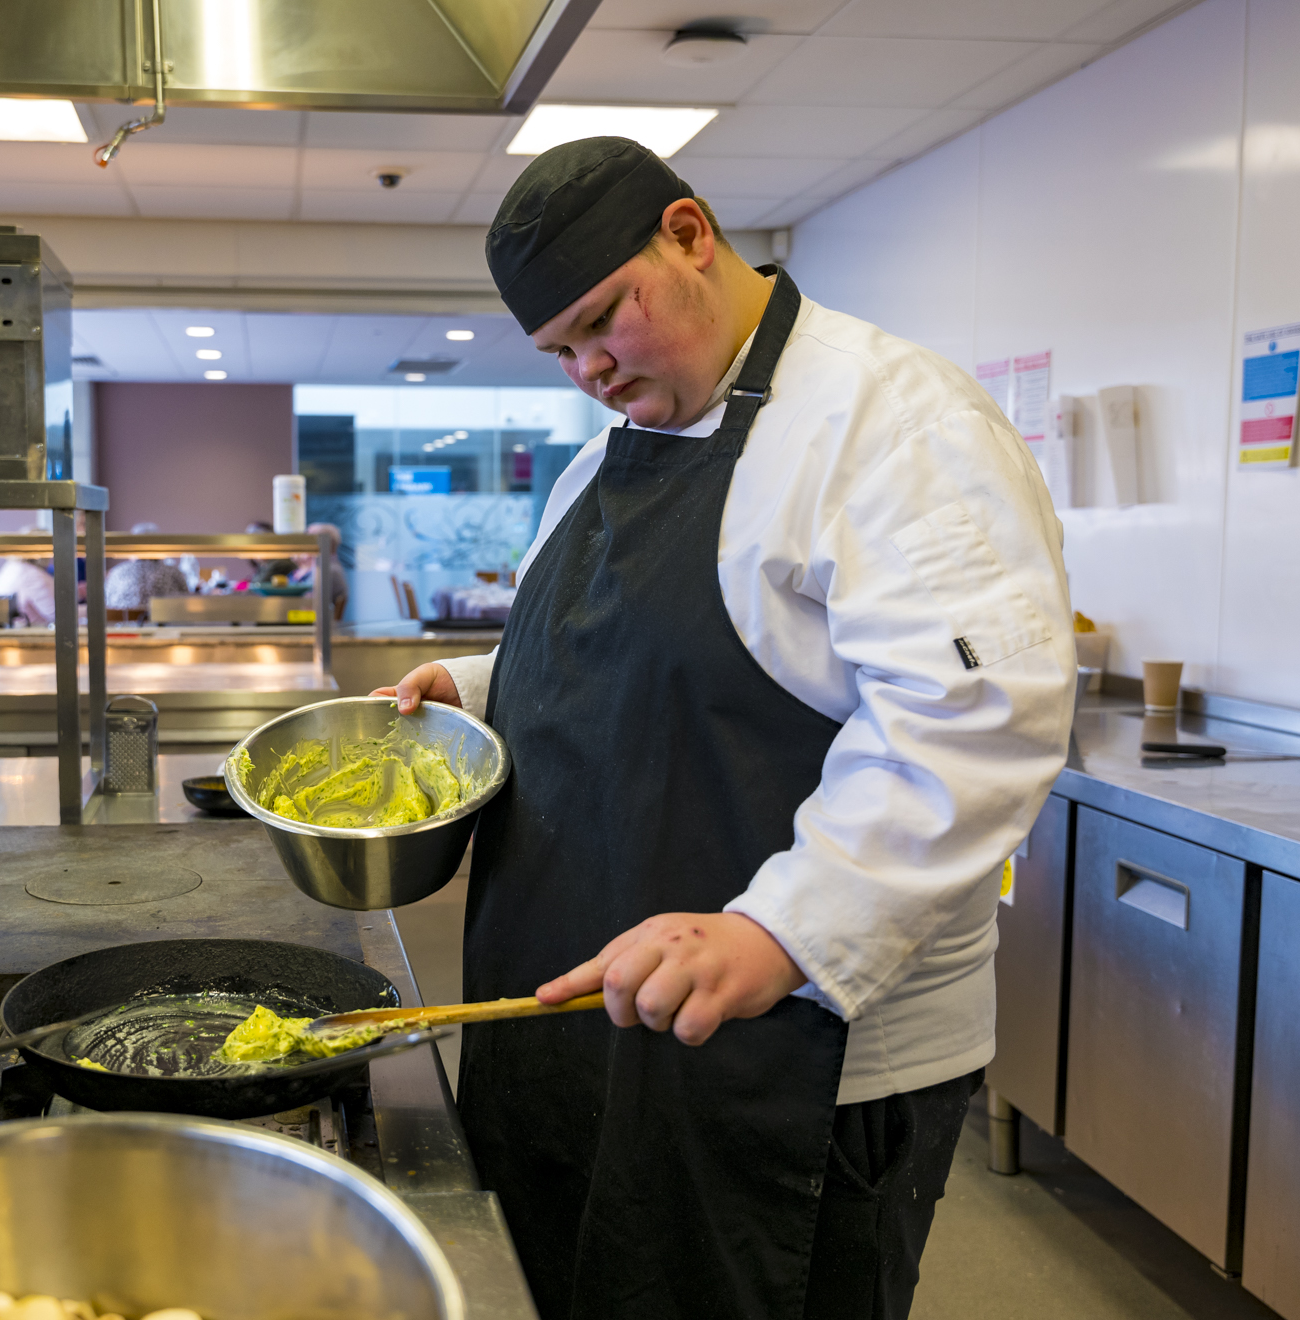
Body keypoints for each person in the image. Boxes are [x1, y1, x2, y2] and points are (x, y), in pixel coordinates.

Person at [377, 137, 1075, 1319]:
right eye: (561, 352)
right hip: (597, 1028)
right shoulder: (615, 446)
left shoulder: (893, 421)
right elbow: (638, 660)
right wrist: (478, 685)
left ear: (691, 234)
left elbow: (971, 721)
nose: (591, 369)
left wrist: (785, 933)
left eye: (607, 320)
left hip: (796, 1058)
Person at [97, 521, 189, 614]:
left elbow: (105, 604)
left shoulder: (117, 572)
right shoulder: (173, 572)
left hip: (122, 626)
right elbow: (185, 605)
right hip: (164, 626)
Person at [293, 521, 349, 620]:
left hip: (316, 622)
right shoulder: (323, 566)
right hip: (315, 620)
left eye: (309, 539)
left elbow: (311, 605)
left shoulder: (328, 570)